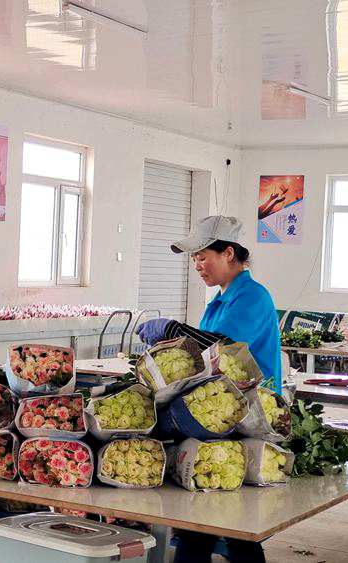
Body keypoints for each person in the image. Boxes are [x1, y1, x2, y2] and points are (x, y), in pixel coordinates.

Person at [135, 215, 281, 563]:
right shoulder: (219, 300)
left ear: (228, 253)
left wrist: (173, 329)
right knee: (206, 521)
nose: (197, 265)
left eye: (203, 257)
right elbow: (203, 359)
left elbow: (223, 346)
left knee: (232, 524)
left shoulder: (252, 297)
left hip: (248, 416)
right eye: (194, 259)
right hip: (219, 415)